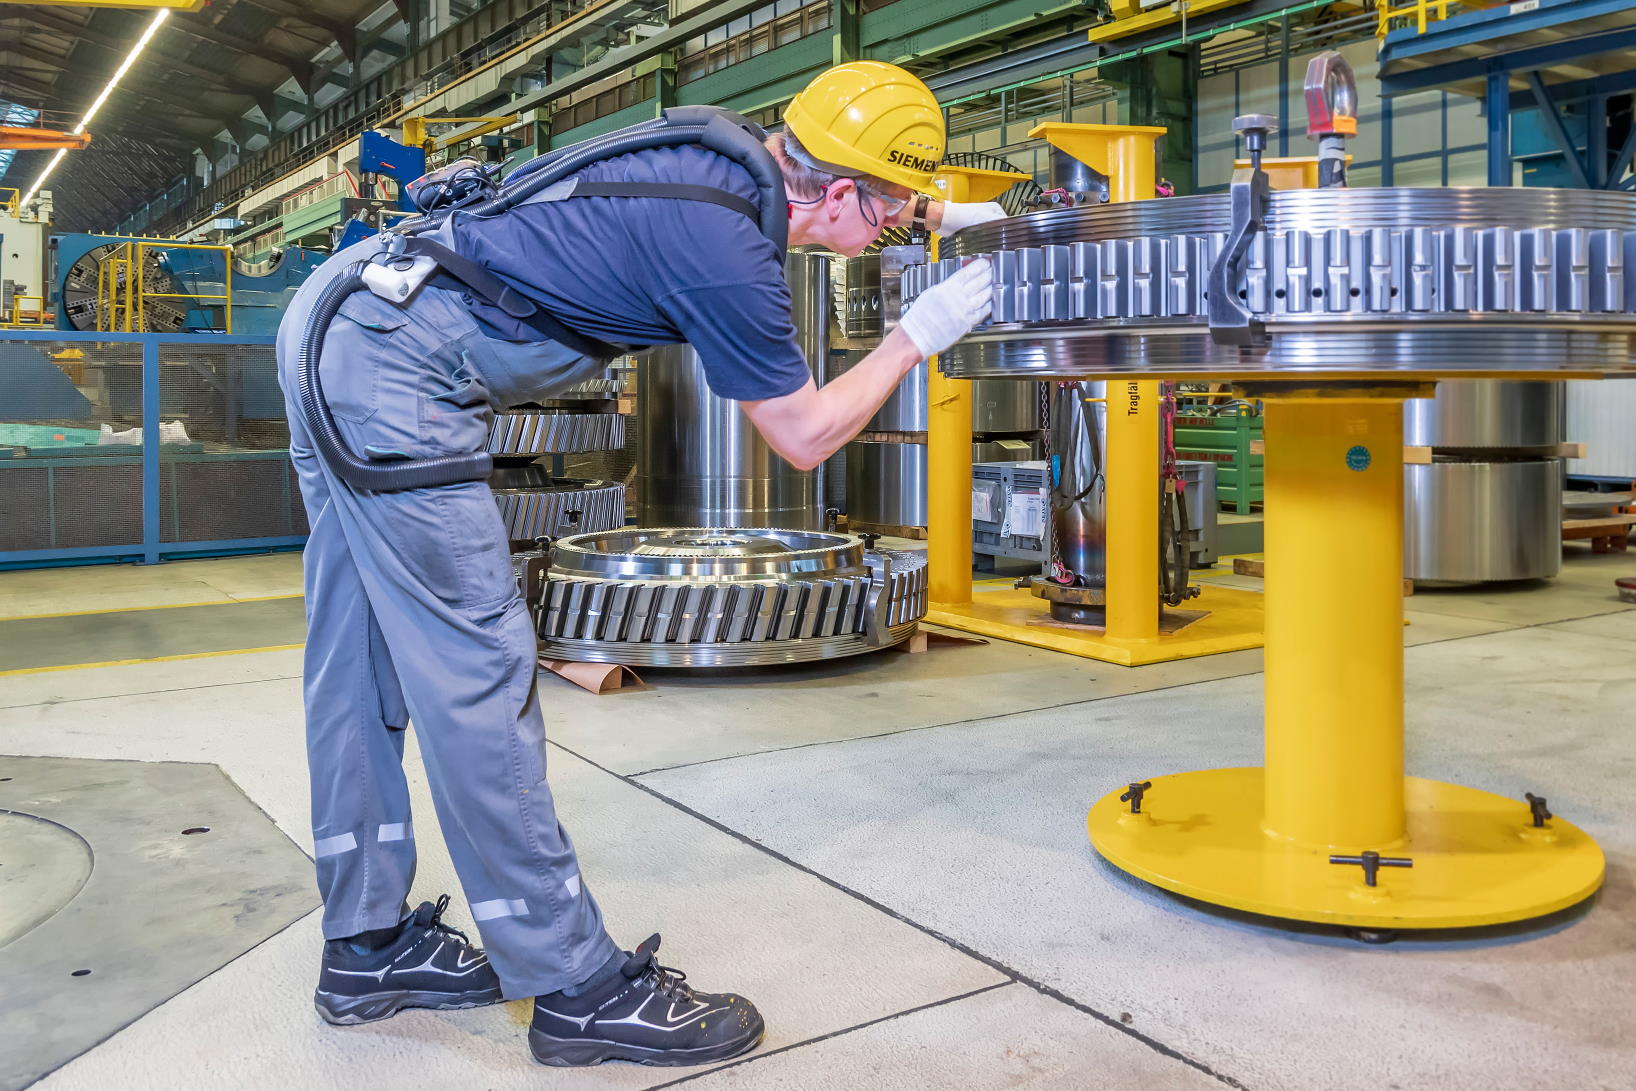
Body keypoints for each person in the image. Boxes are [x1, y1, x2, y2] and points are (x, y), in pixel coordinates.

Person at [275, 59, 1003, 1069]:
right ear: (836, 191)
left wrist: (950, 220)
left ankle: (366, 945)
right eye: (885, 216)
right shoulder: (725, 250)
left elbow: (868, 193)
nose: (888, 233)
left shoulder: (719, 155)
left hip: (338, 316)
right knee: (477, 672)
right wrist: (914, 337)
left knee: (354, 657)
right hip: (396, 368)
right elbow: (802, 432)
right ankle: (573, 984)